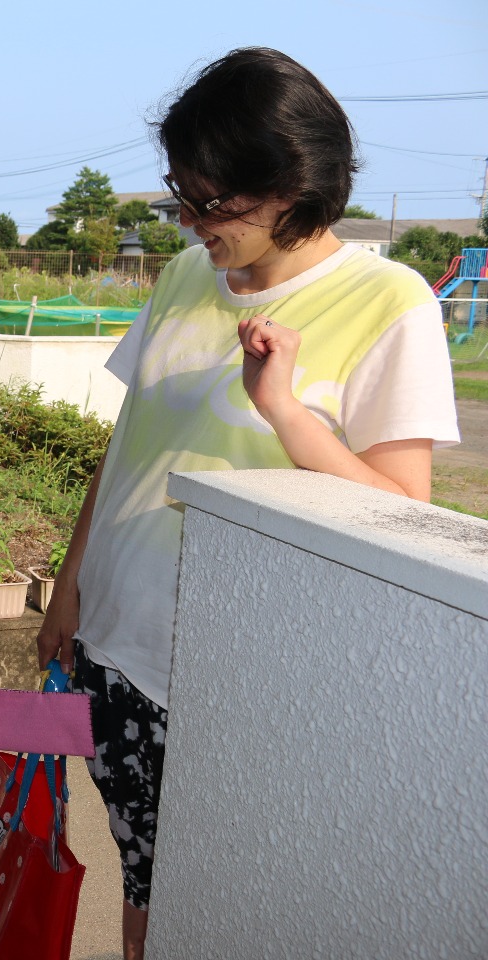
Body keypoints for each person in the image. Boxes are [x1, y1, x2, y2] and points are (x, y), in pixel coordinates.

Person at [34, 47, 460, 959]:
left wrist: (285, 411)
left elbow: (405, 515)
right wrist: (70, 586)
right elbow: (130, 439)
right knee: (143, 873)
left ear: (291, 183)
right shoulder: (188, 276)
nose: (189, 222)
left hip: (237, 671)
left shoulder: (389, 300)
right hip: (118, 641)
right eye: (180, 194)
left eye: (212, 201)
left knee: (222, 896)